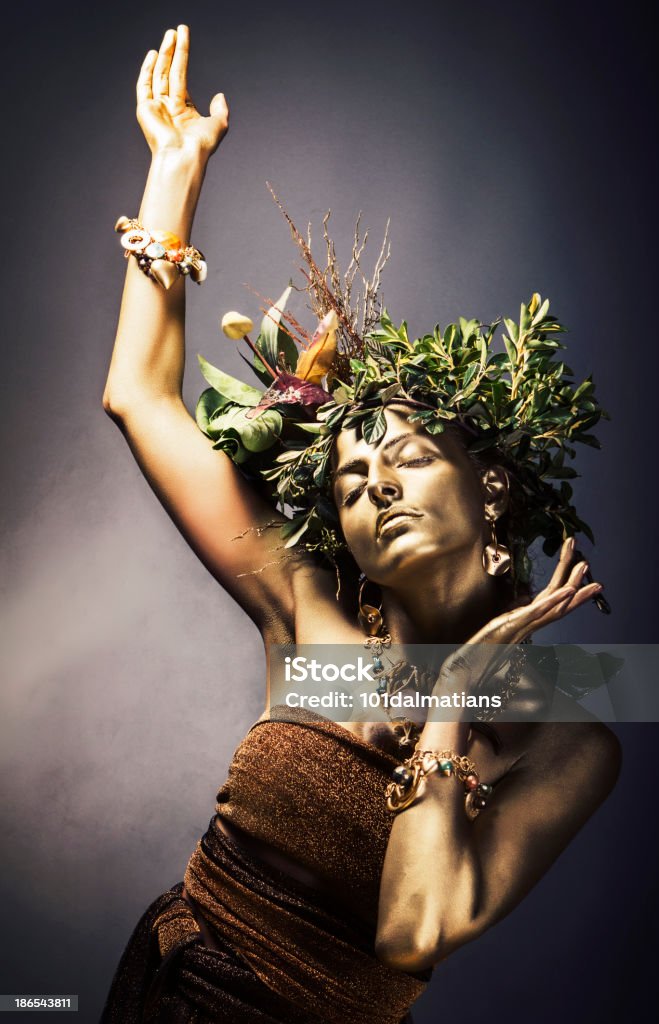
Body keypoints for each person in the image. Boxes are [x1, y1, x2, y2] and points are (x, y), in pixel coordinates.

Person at [100, 24, 621, 1024]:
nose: (374, 482)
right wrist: (172, 177)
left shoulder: (569, 738)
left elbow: (412, 931)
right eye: (348, 477)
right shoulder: (309, 620)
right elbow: (141, 398)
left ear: (495, 489)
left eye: (411, 456)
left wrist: (450, 703)